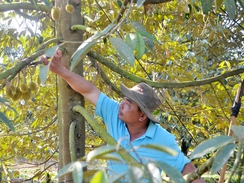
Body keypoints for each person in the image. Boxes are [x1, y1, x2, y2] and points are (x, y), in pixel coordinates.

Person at [41, 50, 205, 182]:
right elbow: (89, 90)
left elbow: (186, 170)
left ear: (142, 116)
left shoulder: (163, 140)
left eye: (129, 103)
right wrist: (60, 70)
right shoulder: (114, 113)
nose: (122, 104)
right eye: (124, 99)